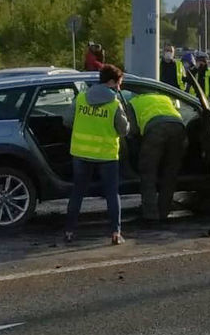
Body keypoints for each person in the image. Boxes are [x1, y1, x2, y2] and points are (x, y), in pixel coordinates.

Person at [64, 64, 130, 245]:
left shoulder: (81, 98)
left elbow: (67, 120)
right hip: (106, 156)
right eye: (119, 83)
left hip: (80, 153)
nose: (120, 87)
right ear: (111, 82)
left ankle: (69, 231)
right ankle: (116, 233)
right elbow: (124, 131)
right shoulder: (115, 104)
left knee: (77, 192)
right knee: (111, 194)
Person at [129, 90, 186, 222]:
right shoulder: (164, 98)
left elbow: (132, 130)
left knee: (148, 174)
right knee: (170, 173)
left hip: (155, 129)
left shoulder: (134, 102)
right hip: (178, 127)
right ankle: (164, 211)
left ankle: (150, 214)